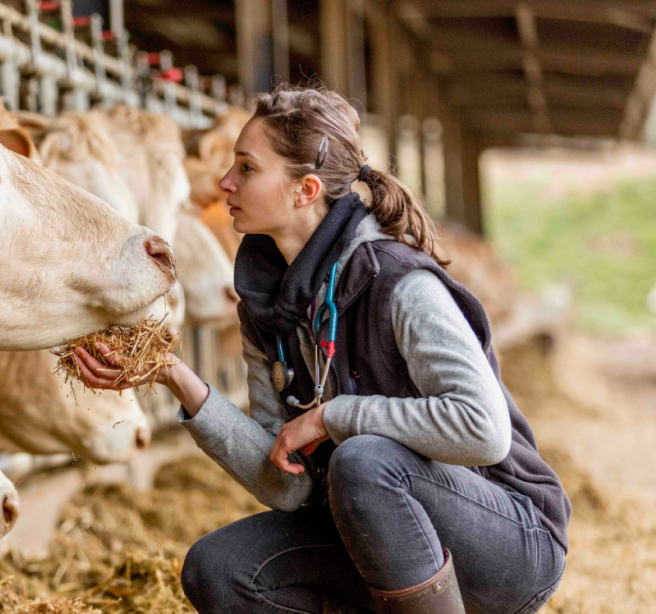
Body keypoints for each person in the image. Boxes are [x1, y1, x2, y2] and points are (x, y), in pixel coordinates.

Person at [73, 86, 569, 614]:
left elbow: (483, 430)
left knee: (364, 459)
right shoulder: (267, 305)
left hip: (508, 537)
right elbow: (286, 486)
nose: (225, 183)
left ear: (305, 189)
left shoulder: (398, 284)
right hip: (379, 534)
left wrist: (333, 416)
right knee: (220, 569)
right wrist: (175, 376)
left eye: (246, 167)